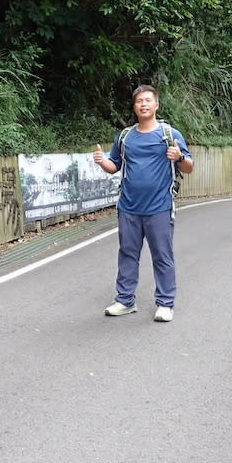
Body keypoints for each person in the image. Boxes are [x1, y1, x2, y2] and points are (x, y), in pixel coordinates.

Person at [93, 85, 193, 322]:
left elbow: (188, 166)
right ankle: (125, 300)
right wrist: (101, 162)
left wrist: (179, 157)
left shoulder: (170, 134)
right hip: (128, 206)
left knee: (162, 255)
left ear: (156, 105)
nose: (144, 104)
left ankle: (166, 303)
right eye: (139, 101)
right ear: (134, 106)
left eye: (148, 100)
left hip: (159, 206)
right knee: (127, 254)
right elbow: (114, 166)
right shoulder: (125, 136)